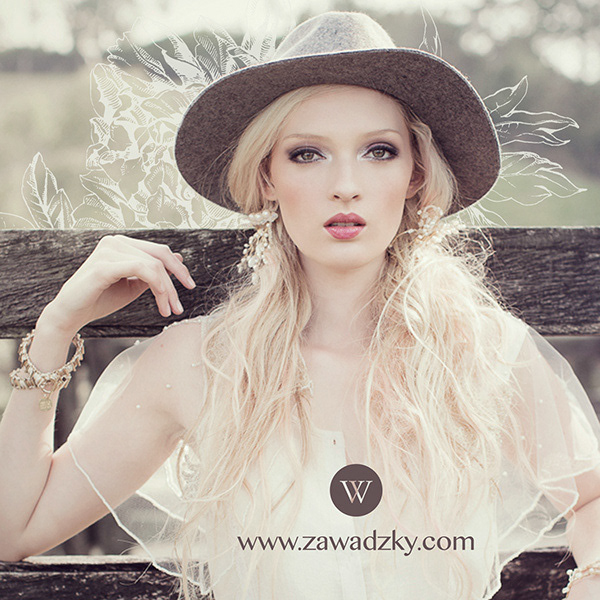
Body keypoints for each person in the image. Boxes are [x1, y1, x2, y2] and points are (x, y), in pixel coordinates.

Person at [1, 10, 599, 600]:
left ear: (415, 174)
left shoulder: (484, 353)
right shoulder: (199, 362)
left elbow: (593, 497)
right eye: (307, 154)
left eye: (379, 151)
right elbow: (14, 529)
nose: (346, 185)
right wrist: (55, 328)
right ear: (266, 177)